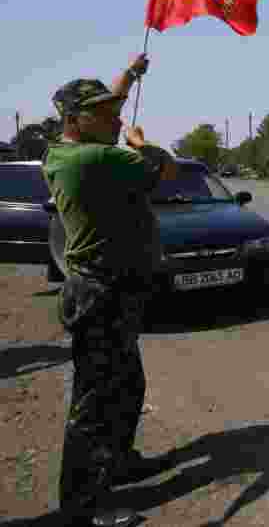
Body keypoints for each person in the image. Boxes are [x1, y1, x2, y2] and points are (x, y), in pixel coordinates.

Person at [43, 54, 178, 527]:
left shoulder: (63, 150)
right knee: (94, 403)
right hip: (101, 294)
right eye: (105, 113)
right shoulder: (99, 157)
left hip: (109, 291)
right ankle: (82, 507)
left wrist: (129, 74)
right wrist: (142, 143)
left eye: (113, 107)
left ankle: (118, 464)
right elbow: (166, 168)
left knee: (125, 385)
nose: (118, 117)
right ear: (76, 120)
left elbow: (111, 104)